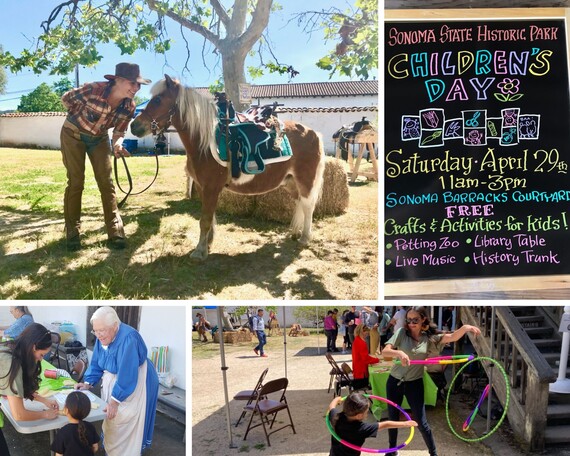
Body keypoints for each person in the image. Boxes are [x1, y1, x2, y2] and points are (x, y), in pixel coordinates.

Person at [60, 62, 151, 251]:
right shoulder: (93, 89)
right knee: (76, 182)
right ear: (117, 80)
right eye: (132, 83)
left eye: (139, 84)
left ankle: (115, 231)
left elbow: (119, 131)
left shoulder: (129, 106)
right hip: (73, 134)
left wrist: (117, 143)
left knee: (107, 184)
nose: (136, 88)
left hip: (99, 139)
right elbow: (66, 98)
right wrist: (76, 116)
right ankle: (72, 232)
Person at [381, 306, 482, 456]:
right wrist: (399, 352)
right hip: (394, 381)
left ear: (423, 319)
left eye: (415, 320)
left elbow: (452, 337)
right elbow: (385, 351)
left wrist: (465, 327)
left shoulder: (429, 338)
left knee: (422, 422)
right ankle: (392, 451)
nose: (411, 323)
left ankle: (433, 453)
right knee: (393, 418)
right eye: (409, 320)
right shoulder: (402, 333)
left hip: (414, 383)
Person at [74, 306, 159, 456]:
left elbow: (127, 376)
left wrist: (114, 401)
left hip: (136, 379)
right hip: (120, 380)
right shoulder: (103, 336)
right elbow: (97, 362)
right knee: (113, 418)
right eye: (95, 330)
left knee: (124, 417)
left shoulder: (129, 338)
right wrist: (87, 383)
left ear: (114, 326)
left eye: (102, 330)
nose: (98, 335)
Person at [0, 323, 59, 455]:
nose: (40, 359)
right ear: (33, 347)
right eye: (42, 354)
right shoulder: (11, 363)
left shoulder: (11, 348)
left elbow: (21, 387)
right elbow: (19, 414)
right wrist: (45, 414)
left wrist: (44, 401)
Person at [328, 392, 417, 456]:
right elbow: (385, 424)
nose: (367, 414)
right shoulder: (361, 429)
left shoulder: (335, 418)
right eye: (366, 412)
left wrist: (337, 399)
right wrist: (405, 423)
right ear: (359, 415)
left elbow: (331, 406)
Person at [51, 391, 100, 456]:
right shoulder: (90, 426)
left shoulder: (63, 432)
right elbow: (95, 447)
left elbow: (59, 455)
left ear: (66, 410)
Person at [351, 324, 379, 390]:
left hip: (357, 369)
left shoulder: (357, 340)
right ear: (362, 332)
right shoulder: (361, 342)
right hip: (361, 371)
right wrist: (376, 360)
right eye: (367, 332)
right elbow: (365, 359)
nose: (368, 334)